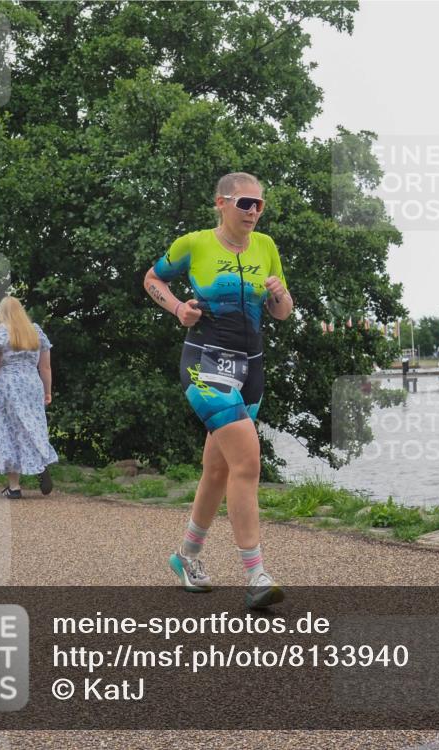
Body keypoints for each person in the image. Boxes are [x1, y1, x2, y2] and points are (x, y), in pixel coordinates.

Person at [144, 172, 292, 609]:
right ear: (221, 203)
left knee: (219, 470)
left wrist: (281, 295)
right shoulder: (194, 244)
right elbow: (152, 278)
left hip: (252, 368)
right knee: (247, 461)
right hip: (206, 363)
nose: (253, 212)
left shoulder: (266, 247)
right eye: (246, 203)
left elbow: (282, 313)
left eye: (260, 205)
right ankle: (256, 575)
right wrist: (176, 308)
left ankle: (186, 556)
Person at [0, 296, 57, 498]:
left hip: (7, 386)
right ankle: (40, 462)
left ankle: (14, 487)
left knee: (8, 432)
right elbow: (45, 366)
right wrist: (47, 391)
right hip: (32, 384)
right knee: (33, 425)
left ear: (1, 313)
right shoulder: (35, 331)